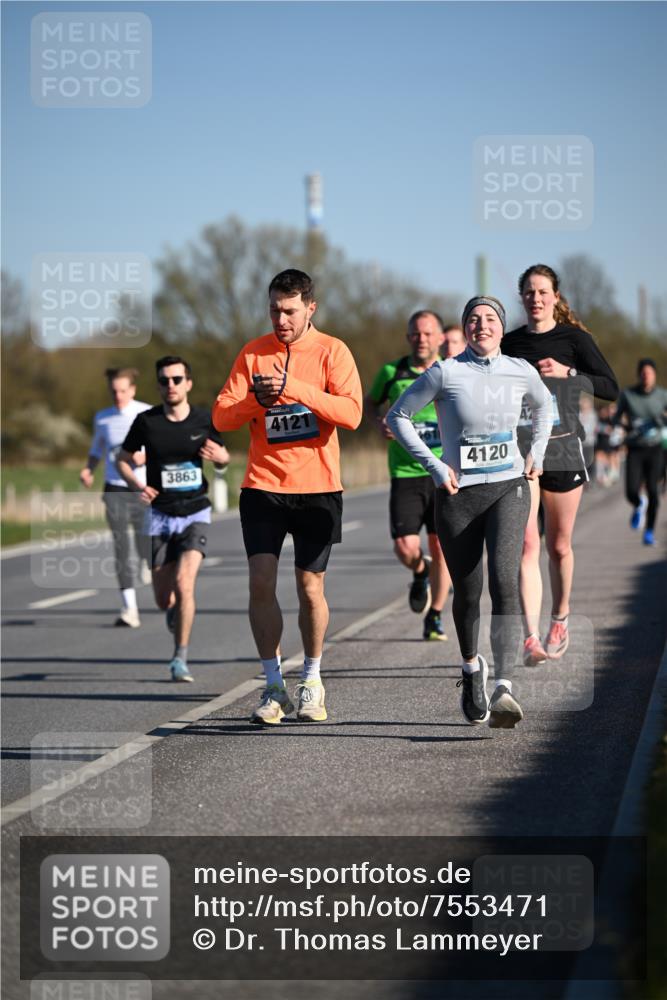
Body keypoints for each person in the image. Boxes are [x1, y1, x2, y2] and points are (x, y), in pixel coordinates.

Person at [388, 296, 553, 729]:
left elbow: (545, 407)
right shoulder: (446, 372)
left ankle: (503, 685)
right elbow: (399, 415)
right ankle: (470, 668)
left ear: (501, 327)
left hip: (508, 487)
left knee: (503, 577)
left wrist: (536, 451)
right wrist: (436, 465)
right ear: (462, 329)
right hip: (458, 494)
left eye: (491, 319)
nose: (482, 325)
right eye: (473, 320)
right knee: (468, 591)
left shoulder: (520, 370)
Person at [212, 269, 362, 725]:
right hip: (263, 486)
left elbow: (352, 413)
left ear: (310, 308)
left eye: (290, 310)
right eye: (274, 309)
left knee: (309, 587)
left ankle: (312, 680)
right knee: (260, 582)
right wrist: (257, 401)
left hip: (317, 488)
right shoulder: (253, 353)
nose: (281, 319)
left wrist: (294, 389)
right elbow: (221, 416)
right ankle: (273, 686)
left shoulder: (333, 351)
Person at [502, 264, 618, 664]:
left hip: (564, 449)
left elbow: (609, 387)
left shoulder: (574, 339)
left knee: (559, 545)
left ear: (555, 297)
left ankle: (560, 617)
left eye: (543, 292)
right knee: (527, 545)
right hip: (522, 453)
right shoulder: (509, 343)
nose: (536, 298)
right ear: (522, 298)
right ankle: (531, 637)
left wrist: (569, 373)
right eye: (529, 292)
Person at [116, 356, 229, 682]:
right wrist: (138, 484)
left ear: (188, 383)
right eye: (164, 380)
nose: (171, 386)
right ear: (158, 385)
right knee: (164, 597)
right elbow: (123, 459)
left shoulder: (205, 420)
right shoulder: (146, 421)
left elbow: (222, 460)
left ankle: (180, 658)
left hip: (195, 511)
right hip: (159, 515)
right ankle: (173, 614)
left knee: (185, 584)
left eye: (177, 379)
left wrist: (221, 460)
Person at [365, 310, 451, 640]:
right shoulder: (391, 372)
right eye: (415, 333)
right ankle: (419, 571)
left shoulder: (451, 371)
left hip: (443, 471)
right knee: (404, 546)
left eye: (428, 333)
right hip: (404, 470)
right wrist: (379, 423)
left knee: (442, 547)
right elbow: (371, 403)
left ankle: (436, 615)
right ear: (408, 337)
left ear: (441, 338)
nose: (422, 338)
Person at [79, 367, 151, 628]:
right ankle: (129, 608)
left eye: (123, 390)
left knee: (146, 545)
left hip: (143, 489)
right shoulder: (103, 418)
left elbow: (163, 447)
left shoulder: (146, 413)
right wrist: (89, 469)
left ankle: (147, 560)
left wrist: (147, 455)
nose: (118, 395)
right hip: (115, 489)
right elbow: (97, 448)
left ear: (132, 390)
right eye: (114, 391)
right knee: (121, 547)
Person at [613, 359, 667, 546]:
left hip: (655, 449)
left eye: (650, 373)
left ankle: (649, 532)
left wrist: (661, 421)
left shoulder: (662, 395)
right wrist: (627, 426)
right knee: (630, 490)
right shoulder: (628, 395)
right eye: (643, 373)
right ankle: (638, 503)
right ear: (639, 375)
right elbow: (616, 418)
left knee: (653, 490)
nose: (646, 376)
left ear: (654, 375)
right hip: (635, 448)